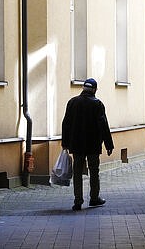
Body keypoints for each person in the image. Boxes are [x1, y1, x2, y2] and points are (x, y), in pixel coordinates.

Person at [61, 78, 114, 211]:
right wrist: (109, 144)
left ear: (83, 88)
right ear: (95, 90)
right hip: (93, 144)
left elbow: (66, 124)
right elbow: (103, 125)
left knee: (77, 172)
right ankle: (94, 198)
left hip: (76, 144)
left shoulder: (72, 102)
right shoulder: (97, 104)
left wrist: (65, 143)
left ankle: (78, 201)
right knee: (94, 171)